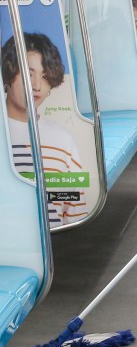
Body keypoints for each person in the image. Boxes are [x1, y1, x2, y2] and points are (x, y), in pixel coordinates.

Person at [2, 33, 86, 228]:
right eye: (28, 74)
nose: (37, 86)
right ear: (8, 72)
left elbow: (72, 210)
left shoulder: (62, 140)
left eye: (45, 77)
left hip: (52, 247)